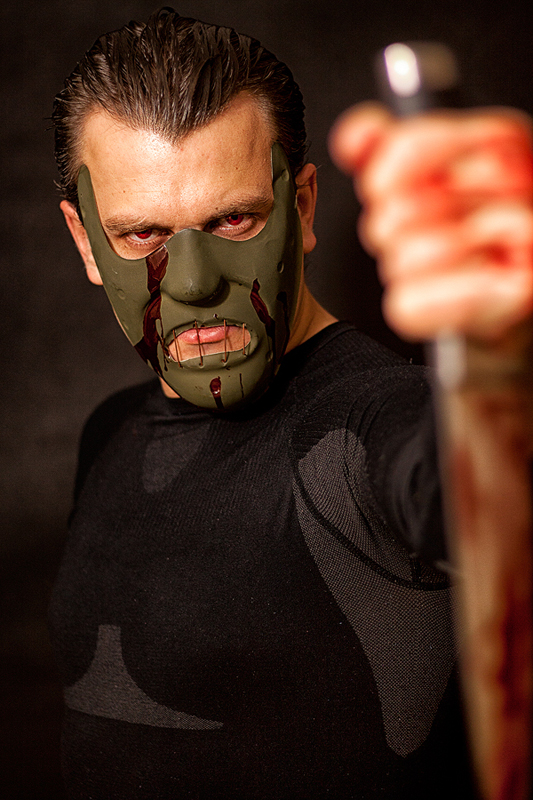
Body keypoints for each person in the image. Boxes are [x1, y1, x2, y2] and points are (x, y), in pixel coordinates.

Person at [48, 8, 533, 799]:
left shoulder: (382, 425)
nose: (194, 281)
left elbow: (484, 495)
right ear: (84, 242)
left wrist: (502, 364)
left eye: (234, 218)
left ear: (301, 207)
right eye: (141, 234)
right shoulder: (108, 435)